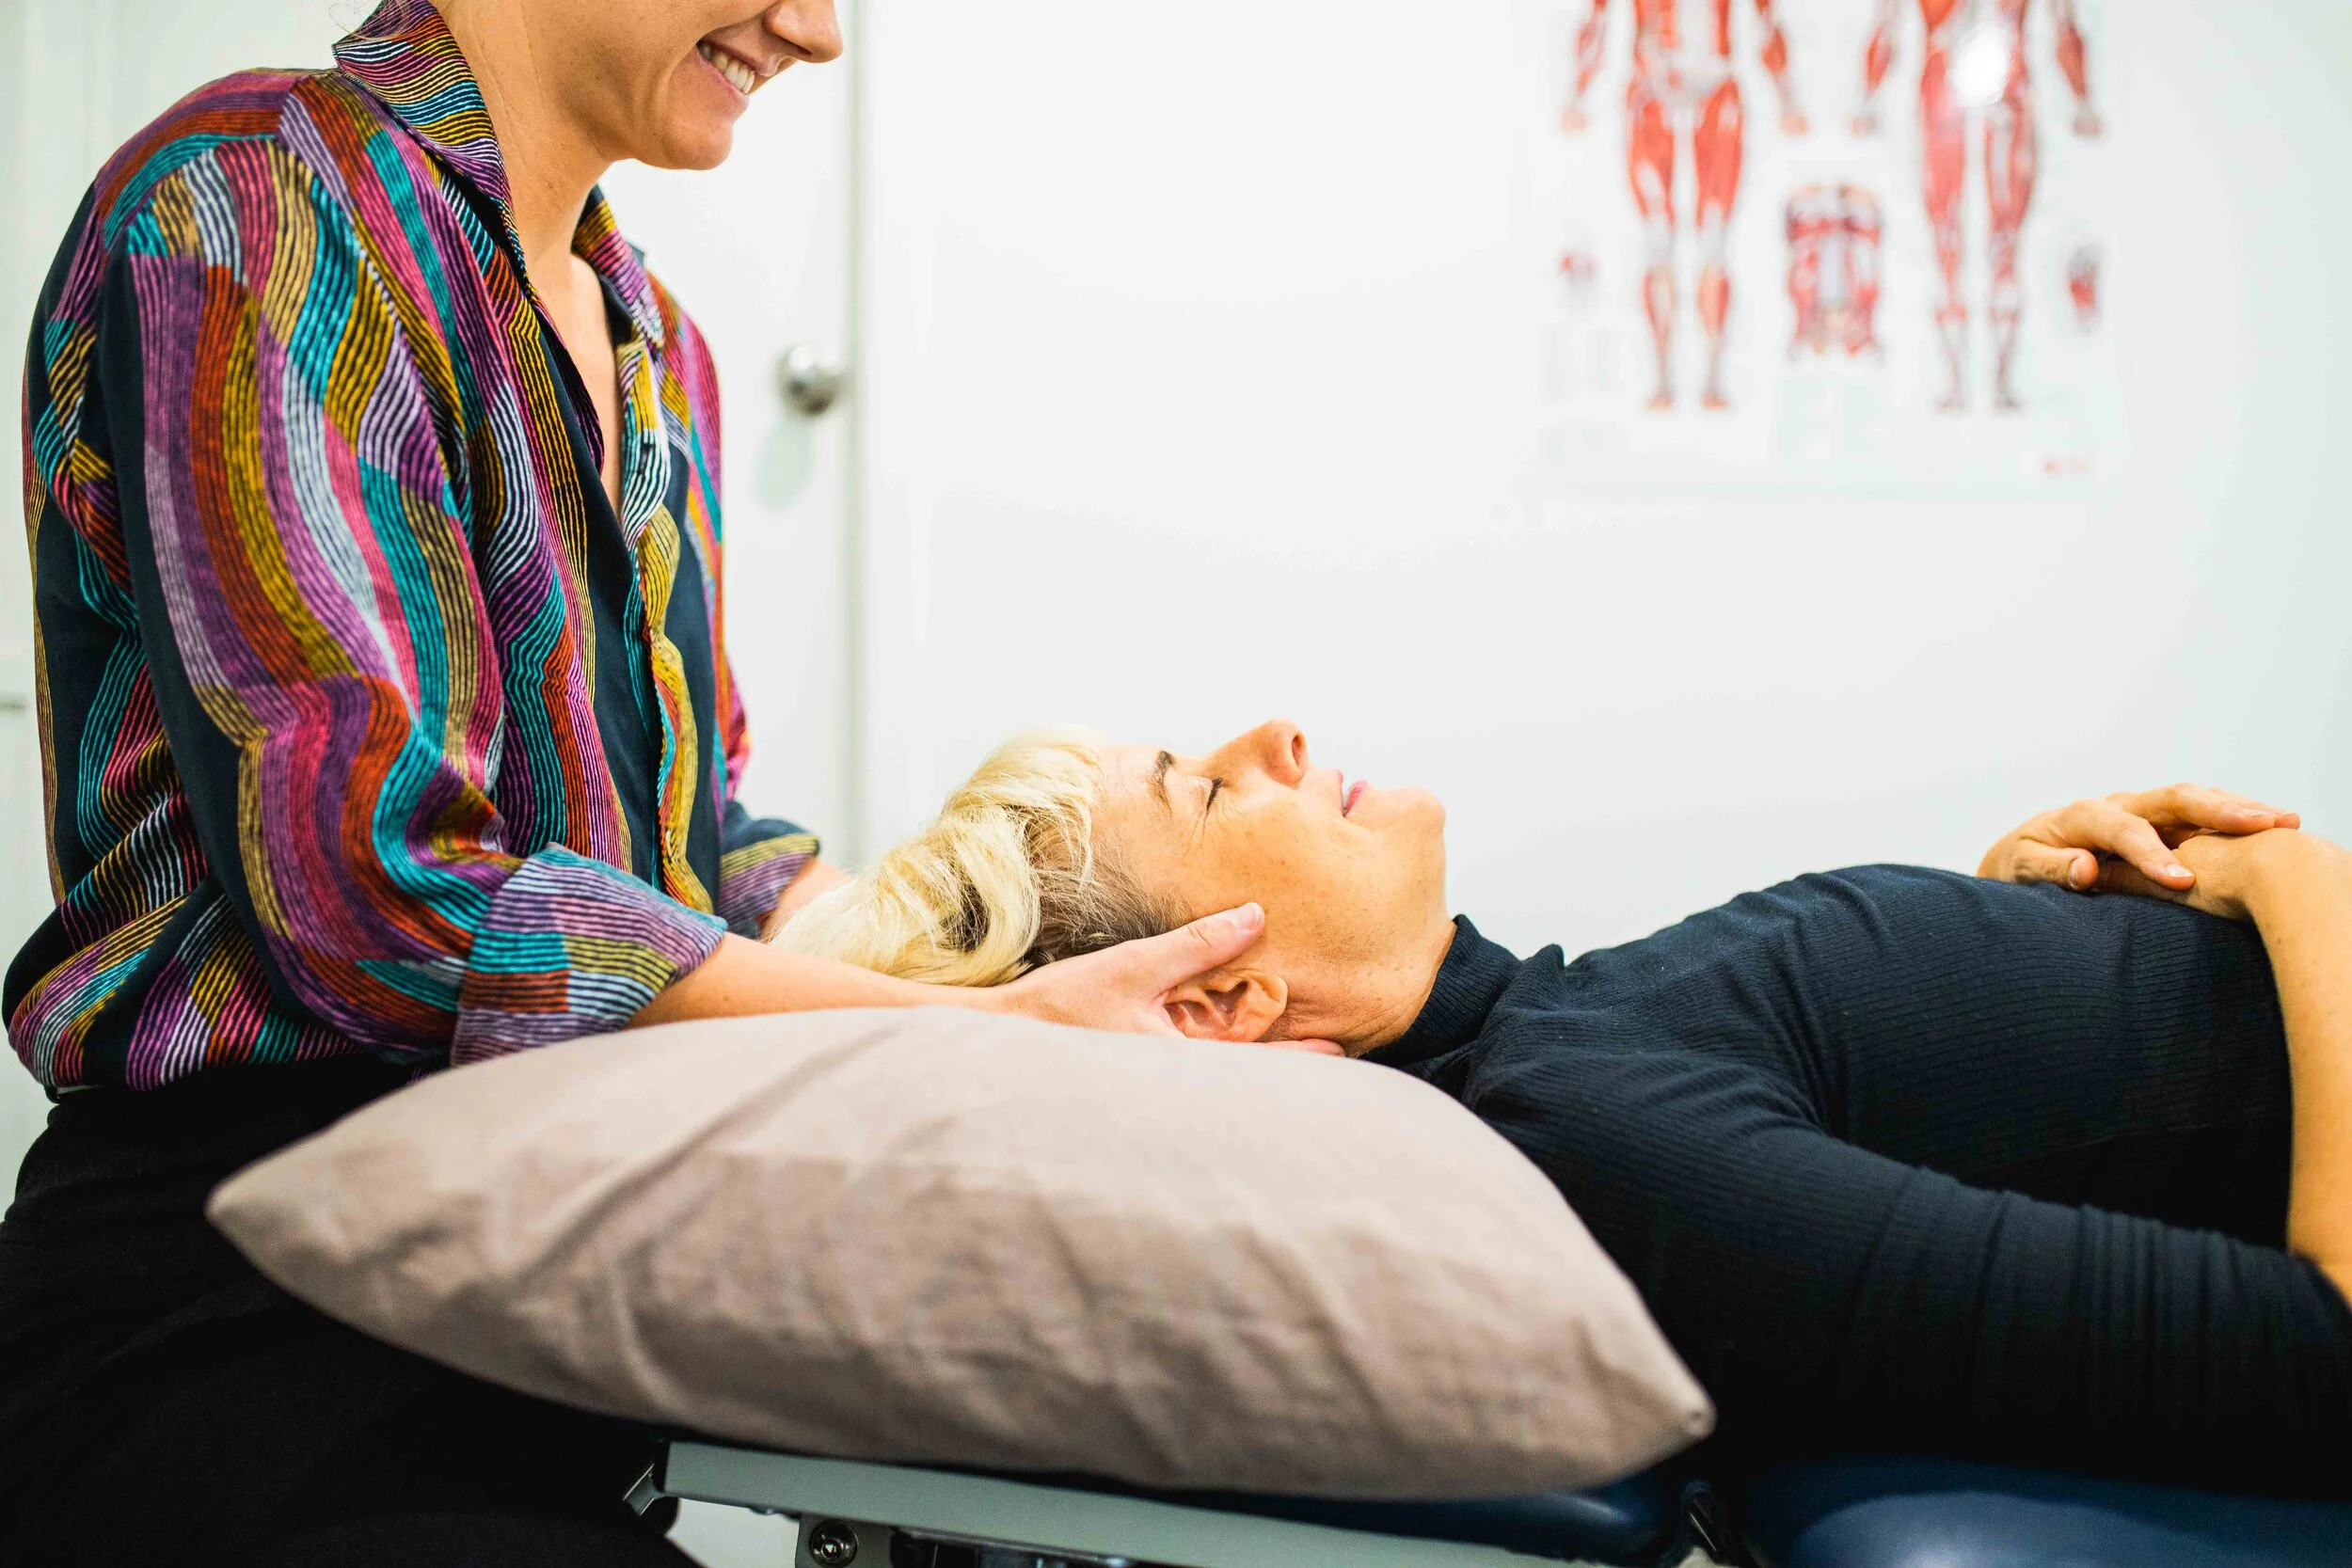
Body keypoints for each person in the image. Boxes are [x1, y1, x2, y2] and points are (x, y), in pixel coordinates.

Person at [2, 4, 1265, 1561]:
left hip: (538, 1323)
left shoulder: (657, 348)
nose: (814, 31)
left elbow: (696, 850)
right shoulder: (258, 199)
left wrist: (1044, 956)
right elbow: (380, 889)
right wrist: (968, 1028)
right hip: (233, 1328)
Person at [778, 721, 2352, 1497]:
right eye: (1205, 787)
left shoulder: (1577, 1044)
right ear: (1216, 1000)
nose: (1275, 741)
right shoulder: (1602, 1137)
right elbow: (2315, 1357)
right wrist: (2290, 875)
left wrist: (2056, 922)